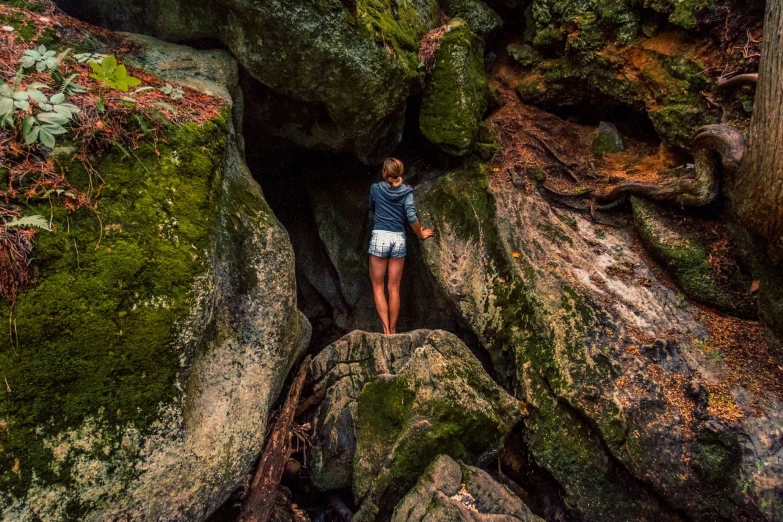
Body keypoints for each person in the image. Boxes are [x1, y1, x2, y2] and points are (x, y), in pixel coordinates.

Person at [367, 158, 434, 335]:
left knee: (377, 286)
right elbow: (411, 217)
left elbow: (371, 207)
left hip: (380, 237)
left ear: (384, 173)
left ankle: (386, 331)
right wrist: (421, 234)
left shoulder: (376, 188)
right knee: (394, 288)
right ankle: (395, 330)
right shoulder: (407, 193)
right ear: (400, 174)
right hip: (398, 238)